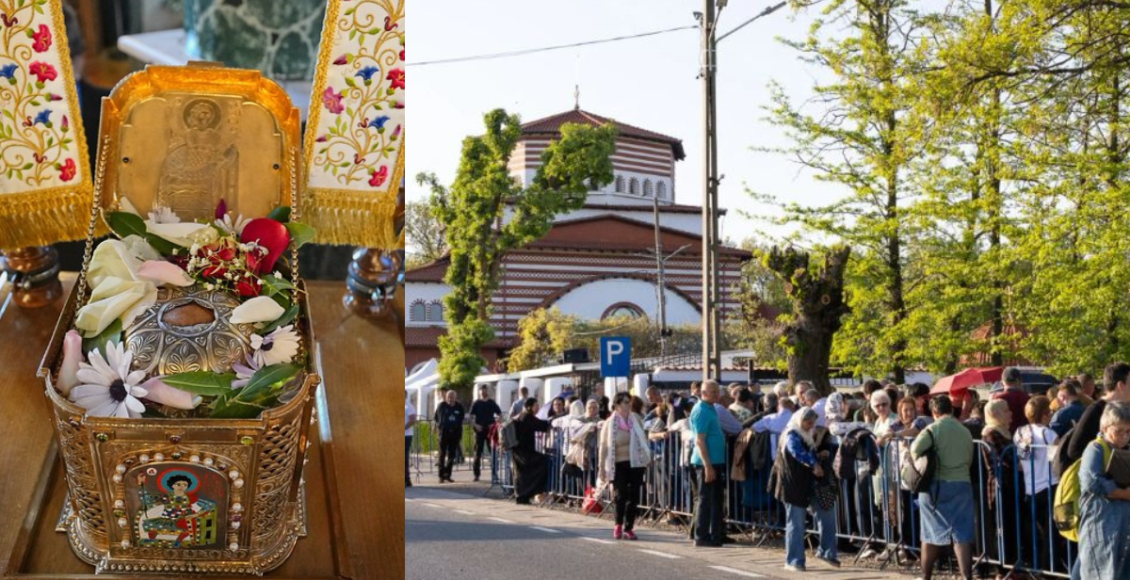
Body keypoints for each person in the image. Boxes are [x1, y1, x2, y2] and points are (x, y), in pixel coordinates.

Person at [912, 396, 975, 580]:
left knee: (930, 532)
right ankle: (967, 576)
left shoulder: (932, 429)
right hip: (962, 484)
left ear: (934, 412)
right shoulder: (964, 431)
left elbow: (915, 449)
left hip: (936, 485)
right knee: (961, 533)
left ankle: (926, 576)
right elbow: (969, 458)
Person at [773, 406, 839, 571]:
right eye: (807, 422)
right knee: (796, 523)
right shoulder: (791, 434)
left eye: (812, 422)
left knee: (827, 515)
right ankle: (794, 560)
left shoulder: (806, 435)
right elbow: (796, 451)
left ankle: (827, 552)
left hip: (809, 483)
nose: (810, 425)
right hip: (792, 485)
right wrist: (814, 462)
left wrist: (817, 456)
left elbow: (803, 452)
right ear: (798, 420)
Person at [1071, 403, 1130, 580]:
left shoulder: (1123, 450)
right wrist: (1124, 494)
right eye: (1119, 431)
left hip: (1121, 530)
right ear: (1105, 428)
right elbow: (1092, 482)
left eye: (1128, 431)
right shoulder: (1095, 448)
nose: (1125, 436)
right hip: (1101, 526)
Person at [1014, 395, 1063, 573]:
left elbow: (1020, 461)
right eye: (1049, 412)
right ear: (1044, 414)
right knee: (1052, 532)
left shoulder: (1019, 432)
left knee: (1036, 531)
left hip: (1030, 486)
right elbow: (1057, 462)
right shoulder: (1049, 434)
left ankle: (1037, 565)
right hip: (1049, 485)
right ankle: (1050, 568)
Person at [598, 392, 652, 540]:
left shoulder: (636, 420)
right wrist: (601, 466)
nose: (628, 405)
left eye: (629, 402)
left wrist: (647, 456)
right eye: (625, 402)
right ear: (617, 405)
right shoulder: (609, 423)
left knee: (633, 495)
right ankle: (618, 524)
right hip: (618, 463)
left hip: (636, 462)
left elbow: (644, 439)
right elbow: (603, 446)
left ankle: (629, 527)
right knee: (621, 494)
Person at [1063, 362, 1130, 470]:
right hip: (1099, 483)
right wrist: (1102, 469)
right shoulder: (1096, 410)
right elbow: (1074, 450)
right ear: (1121, 386)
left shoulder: (1124, 409)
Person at [690, 380, 726, 547]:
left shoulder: (710, 408)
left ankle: (716, 534)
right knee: (706, 499)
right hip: (706, 462)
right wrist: (707, 466)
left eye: (717, 391)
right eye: (713, 392)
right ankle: (701, 535)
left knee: (716, 499)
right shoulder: (701, 411)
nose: (717, 395)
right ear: (703, 393)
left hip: (716, 461)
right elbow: (700, 440)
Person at [511, 398, 550, 504]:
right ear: (529, 407)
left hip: (518, 451)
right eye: (536, 405)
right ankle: (531, 493)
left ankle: (522, 496)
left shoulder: (520, 416)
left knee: (521, 475)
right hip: (525, 452)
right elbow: (543, 425)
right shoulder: (527, 416)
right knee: (542, 463)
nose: (538, 408)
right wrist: (551, 420)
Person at [469, 386, 502, 482]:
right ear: (479, 392)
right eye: (482, 390)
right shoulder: (476, 403)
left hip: (490, 431)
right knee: (477, 453)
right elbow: (470, 417)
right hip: (479, 431)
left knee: (493, 453)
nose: (484, 392)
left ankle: (495, 474)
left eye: (485, 390)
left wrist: (495, 424)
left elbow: (500, 415)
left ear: (488, 391)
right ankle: (476, 475)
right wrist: (476, 426)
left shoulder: (492, 403)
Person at [433, 390, 465, 483]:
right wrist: (437, 428)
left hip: (455, 434)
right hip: (443, 434)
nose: (450, 399)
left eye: (452, 397)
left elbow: (461, 418)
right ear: (446, 397)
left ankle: (448, 474)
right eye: (449, 397)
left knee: (452, 455)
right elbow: (436, 418)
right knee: (442, 454)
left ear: (455, 397)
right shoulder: (441, 406)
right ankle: (441, 475)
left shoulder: (459, 407)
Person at [992, 366, 1030, 432]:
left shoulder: (996, 398)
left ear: (1002, 382)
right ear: (1019, 381)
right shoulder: (1026, 398)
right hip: (1024, 436)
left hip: (1002, 436)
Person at [405, 390, 417, 488]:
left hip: (406, 435)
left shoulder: (408, 406)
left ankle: (407, 480)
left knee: (404, 458)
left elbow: (413, 420)